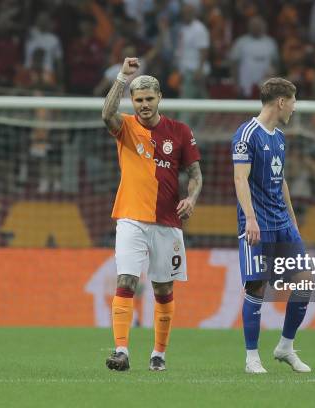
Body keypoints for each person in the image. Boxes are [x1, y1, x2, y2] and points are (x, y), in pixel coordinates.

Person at [101, 57, 202, 371]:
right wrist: (121, 77)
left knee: (163, 289)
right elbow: (106, 113)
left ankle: (158, 354)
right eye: (138, 99)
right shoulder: (127, 127)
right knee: (126, 280)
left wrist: (192, 197)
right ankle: (121, 351)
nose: (144, 105)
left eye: (149, 99)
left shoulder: (180, 132)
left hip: (168, 223)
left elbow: (196, 174)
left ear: (160, 98)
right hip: (130, 218)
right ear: (132, 101)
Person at [232, 77, 311, 374]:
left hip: (282, 223)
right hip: (258, 224)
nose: (294, 107)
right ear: (281, 101)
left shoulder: (279, 137)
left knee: (304, 282)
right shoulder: (246, 134)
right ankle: (252, 357)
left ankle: (285, 346)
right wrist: (250, 218)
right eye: (293, 101)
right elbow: (240, 178)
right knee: (257, 286)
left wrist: (293, 220)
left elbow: (281, 181)